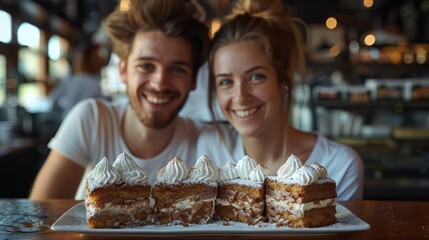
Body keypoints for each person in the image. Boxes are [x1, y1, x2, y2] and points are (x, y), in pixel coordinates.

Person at [30, 0, 209, 200]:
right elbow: (41, 218)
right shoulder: (92, 118)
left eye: (177, 69)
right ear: (123, 71)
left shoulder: (207, 141)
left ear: (193, 79)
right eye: (146, 66)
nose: (160, 84)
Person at [196, 0, 364, 201]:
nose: (240, 96)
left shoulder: (339, 165)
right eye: (225, 81)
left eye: (256, 77)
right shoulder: (206, 152)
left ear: (284, 79)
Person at [49, 41, 109, 117]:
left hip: (68, 120)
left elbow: (54, 99)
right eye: (98, 55)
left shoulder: (70, 80)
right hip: (87, 123)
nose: (101, 58)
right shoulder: (92, 84)